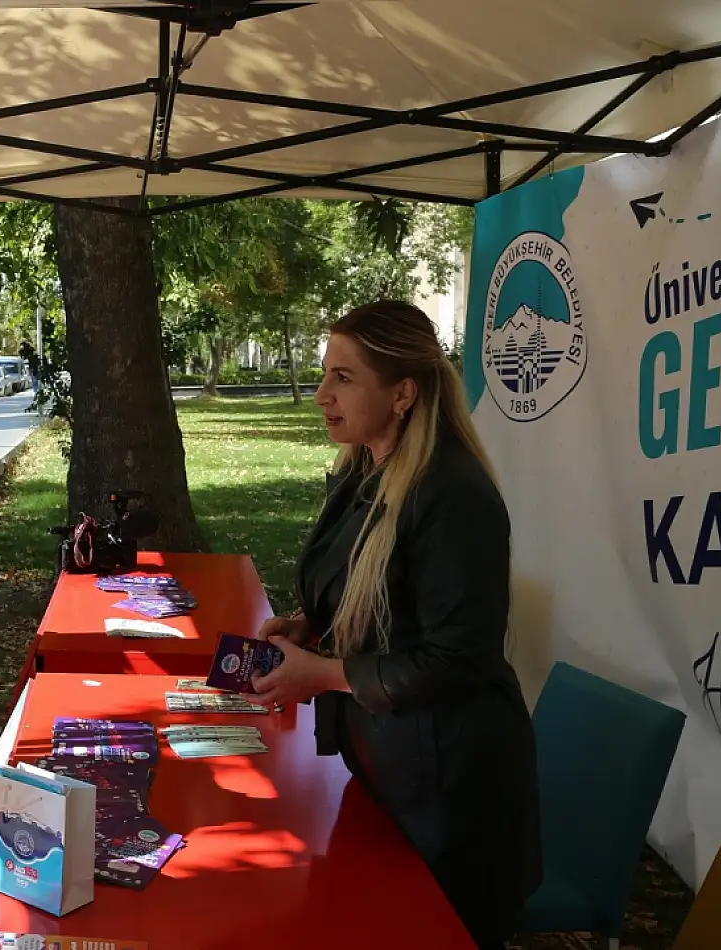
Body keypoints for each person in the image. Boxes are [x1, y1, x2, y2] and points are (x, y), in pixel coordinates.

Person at [242, 301, 541, 949]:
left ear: (403, 393)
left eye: (344, 378)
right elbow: (375, 598)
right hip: (387, 766)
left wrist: (321, 673)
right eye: (325, 375)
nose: (321, 395)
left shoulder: (454, 495)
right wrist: (308, 628)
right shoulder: (364, 471)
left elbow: (457, 659)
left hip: (451, 794)